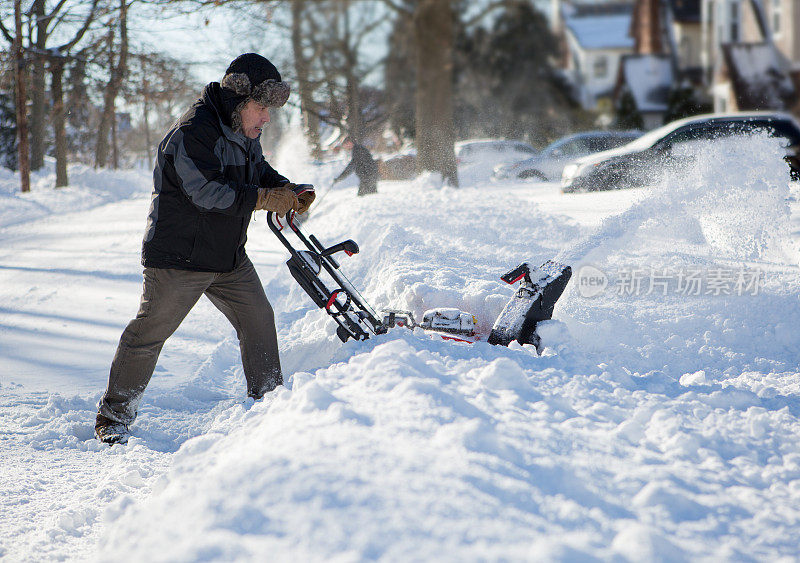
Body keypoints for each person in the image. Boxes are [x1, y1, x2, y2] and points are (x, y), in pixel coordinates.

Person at [94, 53, 315, 445]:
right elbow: (206, 193)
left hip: (227, 257)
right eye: (261, 108)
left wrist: (289, 190)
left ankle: (269, 404)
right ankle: (114, 416)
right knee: (150, 333)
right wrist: (267, 198)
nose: (266, 119)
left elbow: (258, 172)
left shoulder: (245, 133)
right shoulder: (193, 132)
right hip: (179, 258)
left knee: (259, 319)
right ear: (238, 100)